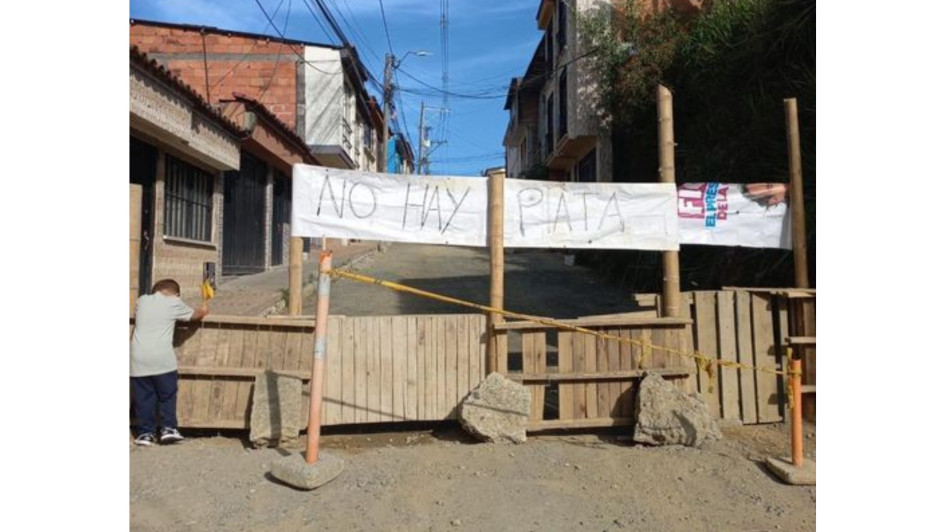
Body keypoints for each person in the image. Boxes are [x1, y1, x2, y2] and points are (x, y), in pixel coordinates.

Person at [130, 279, 209, 446]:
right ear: (177, 294)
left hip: (138, 360)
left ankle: (145, 433)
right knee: (167, 395)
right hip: (162, 359)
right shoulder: (174, 302)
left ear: (154, 291)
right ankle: (168, 428)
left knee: (144, 398)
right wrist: (203, 311)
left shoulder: (142, 301)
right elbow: (194, 316)